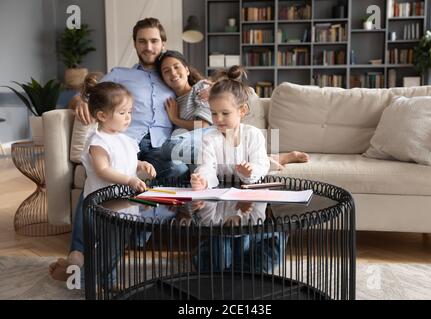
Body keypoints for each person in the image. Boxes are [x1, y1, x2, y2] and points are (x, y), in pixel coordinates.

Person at [49, 74, 156, 281]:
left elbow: (128, 162)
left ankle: (74, 271)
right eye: (122, 112)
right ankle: (105, 281)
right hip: (103, 205)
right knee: (110, 246)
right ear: (102, 115)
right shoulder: (98, 141)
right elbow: (102, 170)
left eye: (130, 112)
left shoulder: (126, 139)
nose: (128, 117)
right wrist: (130, 180)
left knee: (117, 244)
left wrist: (142, 165)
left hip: (123, 203)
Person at [69, 17, 189, 179]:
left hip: (160, 147)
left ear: (163, 44)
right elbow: (86, 96)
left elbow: (194, 89)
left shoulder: (171, 75)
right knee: (107, 168)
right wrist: (79, 101)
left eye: (154, 41)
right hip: (126, 141)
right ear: (135, 44)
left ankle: (145, 197)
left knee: (178, 169)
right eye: (142, 41)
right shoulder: (120, 74)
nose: (148, 47)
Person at [156, 50, 309, 170]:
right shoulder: (171, 101)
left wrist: (175, 119)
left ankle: (264, 161)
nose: (173, 73)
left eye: (176, 67)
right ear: (162, 77)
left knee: (169, 148)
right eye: (166, 71)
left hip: (208, 136)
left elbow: (203, 125)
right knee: (178, 158)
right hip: (194, 144)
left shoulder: (201, 89)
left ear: (187, 70)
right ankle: (264, 161)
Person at [190, 65, 271, 190]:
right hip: (222, 195)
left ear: (242, 110)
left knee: (267, 161)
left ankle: (282, 158)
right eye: (214, 113)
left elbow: (260, 164)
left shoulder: (253, 134)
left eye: (225, 113)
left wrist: (250, 171)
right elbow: (206, 167)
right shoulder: (209, 138)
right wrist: (203, 180)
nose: (218, 119)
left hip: (247, 194)